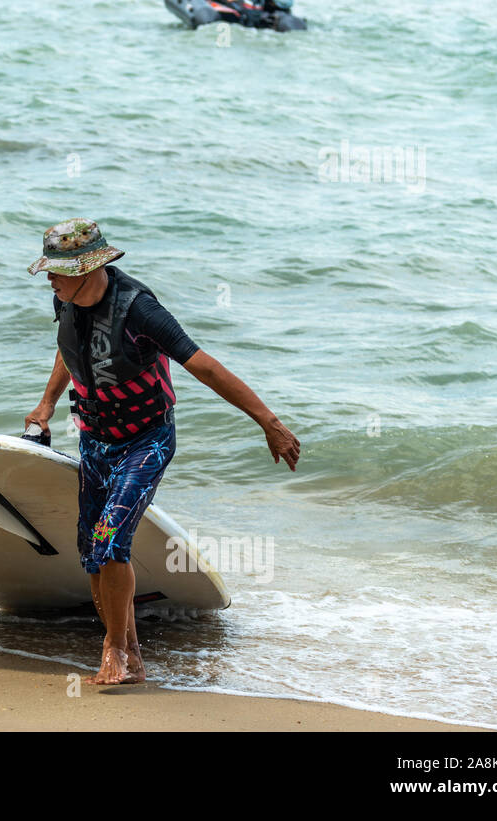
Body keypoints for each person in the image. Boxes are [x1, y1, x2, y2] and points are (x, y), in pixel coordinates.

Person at [24, 219, 300, 684]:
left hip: (145, 441)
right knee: (92, 551)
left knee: (111, 541)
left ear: (88, 268)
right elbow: (68, 348)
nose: (48, 277)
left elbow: (205, 366)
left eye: (57, 269)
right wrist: (47, 403)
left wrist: (269, 423)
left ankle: (114, 649)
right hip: (95, 438)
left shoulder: (140, 311)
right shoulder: (65, 299)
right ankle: (129, 653)